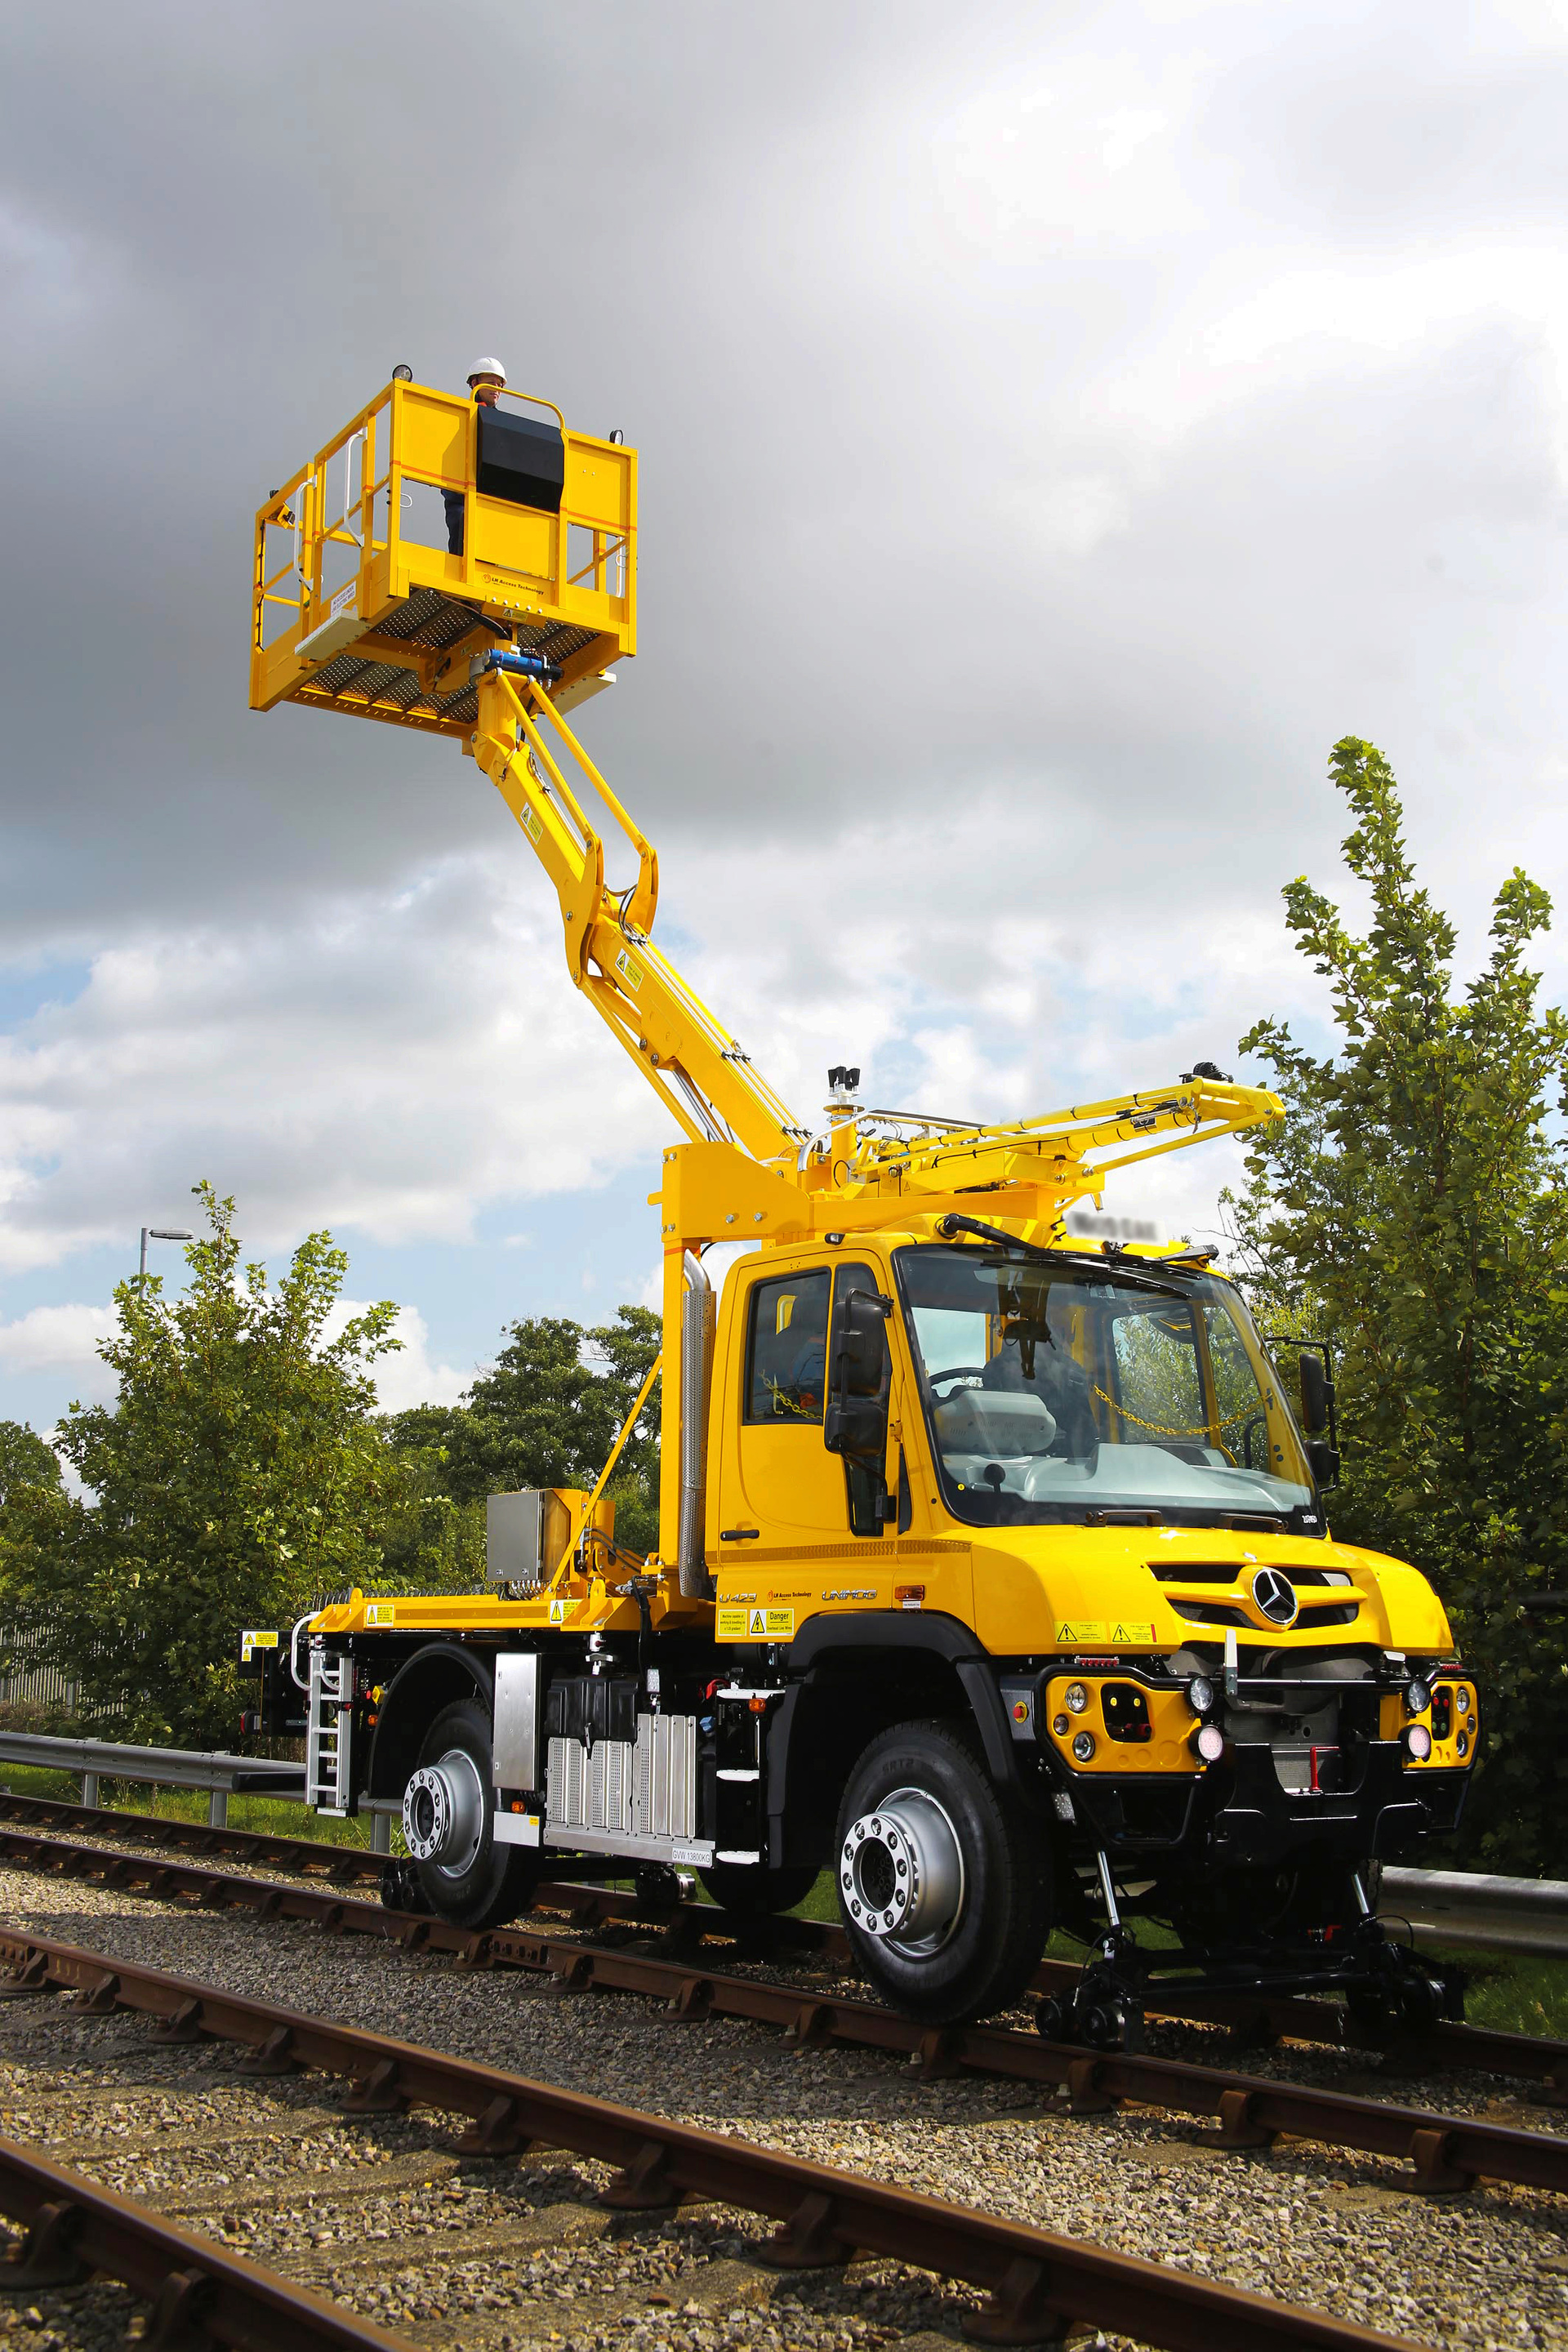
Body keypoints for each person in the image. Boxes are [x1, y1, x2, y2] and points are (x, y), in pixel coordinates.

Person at [443, 358, 507, 555]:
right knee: (462, 522)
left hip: (491, 495)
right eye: (491, 383)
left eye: (499, 385)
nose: (496, 389)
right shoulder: (462, 415)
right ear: (474, 383)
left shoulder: (503, 424)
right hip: (460, 494)